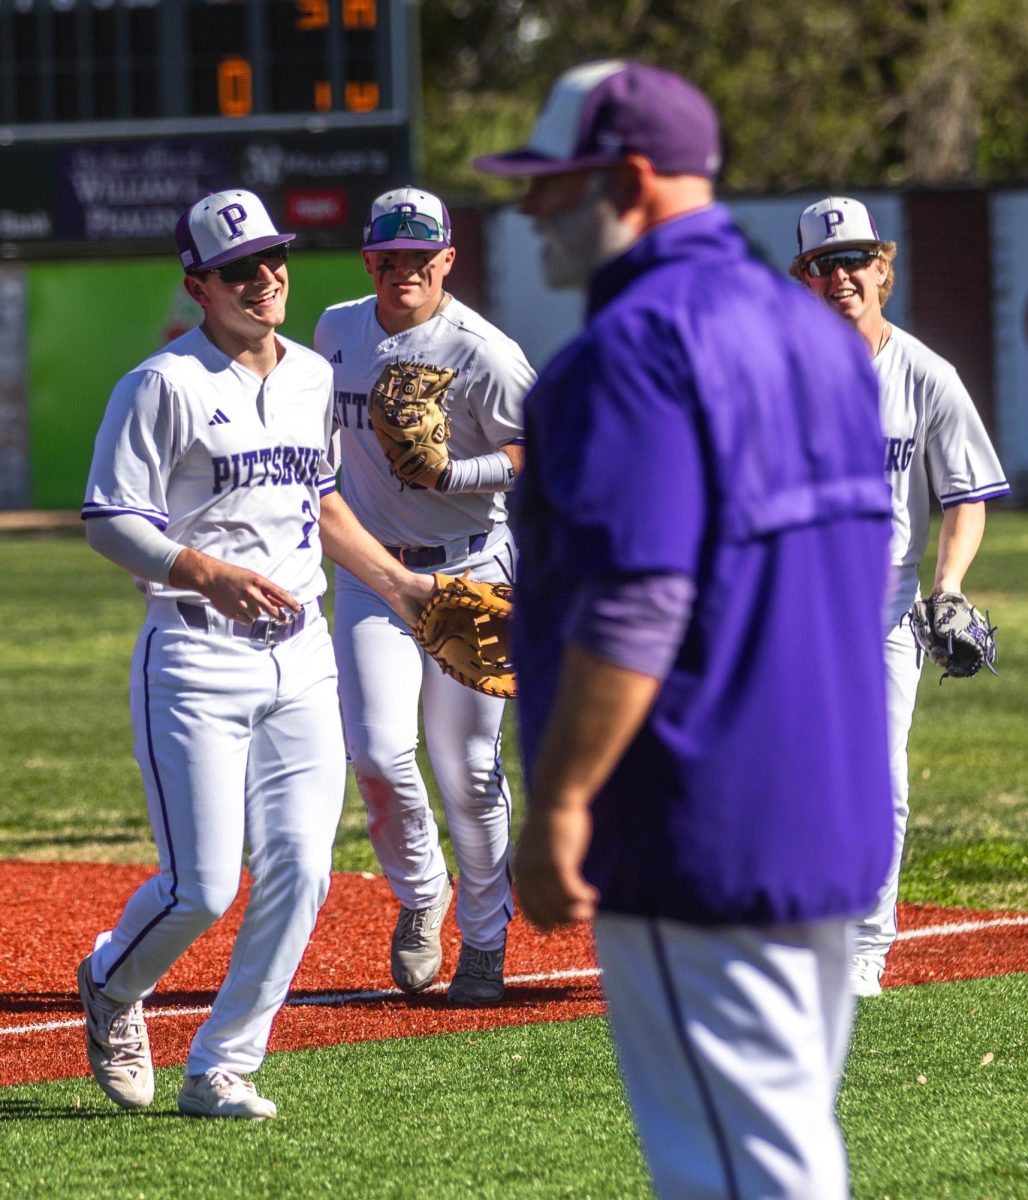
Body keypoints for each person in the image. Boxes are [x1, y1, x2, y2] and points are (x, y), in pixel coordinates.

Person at [475, 60, 896, 1199]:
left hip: (694, 823)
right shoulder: (821, 343)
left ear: (630, 178)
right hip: (828, 809)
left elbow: (637, 600)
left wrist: (559, 802)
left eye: (551, 183)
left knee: (740, 1173)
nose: (529, 209)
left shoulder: (624, 354)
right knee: (779, 1145)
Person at [77, 188, 434, 1120]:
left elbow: (322, 504)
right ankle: (113, 987)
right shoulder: (162, 384)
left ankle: (223, 1064)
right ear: (198, 285)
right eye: (240, 268)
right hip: (196, 659)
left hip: (302, 653)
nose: (264, 277)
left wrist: (403, 584)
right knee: (202, 885)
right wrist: (203, 571)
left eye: (273, 258)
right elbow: (110, 522)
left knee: (304, 867)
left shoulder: (313, 376)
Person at [313, 186, 535, 1004]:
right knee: (375, 752)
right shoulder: (337, 330)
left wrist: (454, 472)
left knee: (469, 769)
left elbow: (537, 450)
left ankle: (484, 940)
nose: (402, 270)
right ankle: (421, 893)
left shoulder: (486, 351)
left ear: (447, 259)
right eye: (387, 257)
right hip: (373, 572)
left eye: (419, 256)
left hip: (471, 568)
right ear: (368, 260)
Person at [789, 196, 1011, 996]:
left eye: (854, 259)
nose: (841, 275)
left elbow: (967, 496)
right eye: (824, 263)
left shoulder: (926, 376)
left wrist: (948, 587)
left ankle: (865, 946)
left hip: (884, 609)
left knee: (878, 779)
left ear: (883, 268)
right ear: (804, 280)